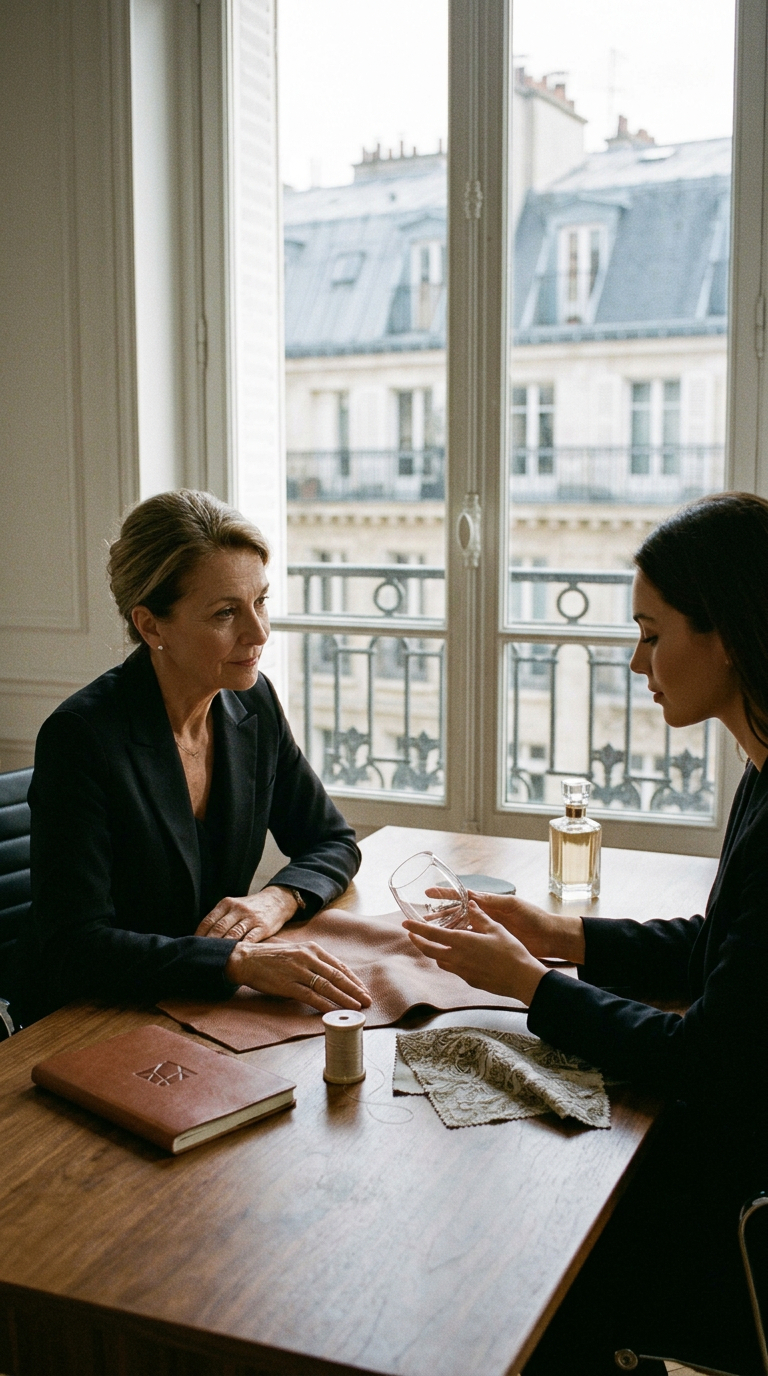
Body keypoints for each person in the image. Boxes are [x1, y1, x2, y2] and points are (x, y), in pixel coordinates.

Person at [403, 492, 768, 1375]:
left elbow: (702, 1063)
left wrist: (529, 984)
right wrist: (558, 933)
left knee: (524, 1262)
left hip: (739, 1208)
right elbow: (719, 943)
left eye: (651, 631)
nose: (636, 657)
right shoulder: (762, 767)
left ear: (723, 633)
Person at [14, 490, 371, 1026]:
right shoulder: (81, 736)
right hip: (94, 1015)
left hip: (199, 1006)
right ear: (151, 625)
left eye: (261, 602)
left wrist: (278, 899)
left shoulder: (253, 702)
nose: (258, 633)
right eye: (226, 612)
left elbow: (332, 840)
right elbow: (75, 946)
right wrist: (236, 960)